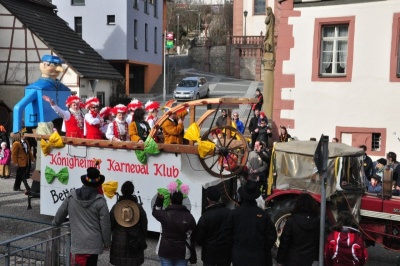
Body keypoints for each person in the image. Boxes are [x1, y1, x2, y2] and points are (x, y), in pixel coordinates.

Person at [52, 166, 111, 266]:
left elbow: (59, 215)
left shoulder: (72, 196)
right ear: (98, 184)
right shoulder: (100, 201)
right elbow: (105, 224)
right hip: (93, 245)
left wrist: (55, 223)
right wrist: (107, 243)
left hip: (77, 244)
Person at [12, 55, 71, 134]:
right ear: (43, 65)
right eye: (54, 65)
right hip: (40, 127)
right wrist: (17, 130)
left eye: (59, 65)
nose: (58, 68)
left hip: (62, 126)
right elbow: (18, 107)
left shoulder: (63, 88)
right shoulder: (37, 88)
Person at [231, 181, 277, 266]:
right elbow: (272, 236)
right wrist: (263, 248)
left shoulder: (234, 214)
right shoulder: (263, 215)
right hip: (258, 256)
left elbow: (228, 235)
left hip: (239, 255)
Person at [152, 181, 196, 266]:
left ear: (170, 200)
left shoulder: (164, 214)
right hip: (182, 252)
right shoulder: (189, 216)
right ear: (182, 201)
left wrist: (159, 199)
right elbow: (193, 232)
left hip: (165, 250)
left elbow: (156, 211)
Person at [109, 181, 148, 265]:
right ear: (132, 191)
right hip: (135, 241)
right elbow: (144, 225)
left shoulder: (116, 207)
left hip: (118, 242)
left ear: (122, 191)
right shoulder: (138, 207)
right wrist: (142, 237)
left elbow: (110, 225)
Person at [276, 193, 320, 266]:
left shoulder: (291, 221)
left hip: (292, 259)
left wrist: (280, 259)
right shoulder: (317, 222)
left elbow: (284, 242)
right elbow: (319, 242)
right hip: (310, 260)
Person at [195, 186, 233, 266]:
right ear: (219, 198)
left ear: (208, 199)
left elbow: (199, 238)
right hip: (226, 252)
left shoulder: (206, 216)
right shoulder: (229, 213)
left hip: (209, 254)